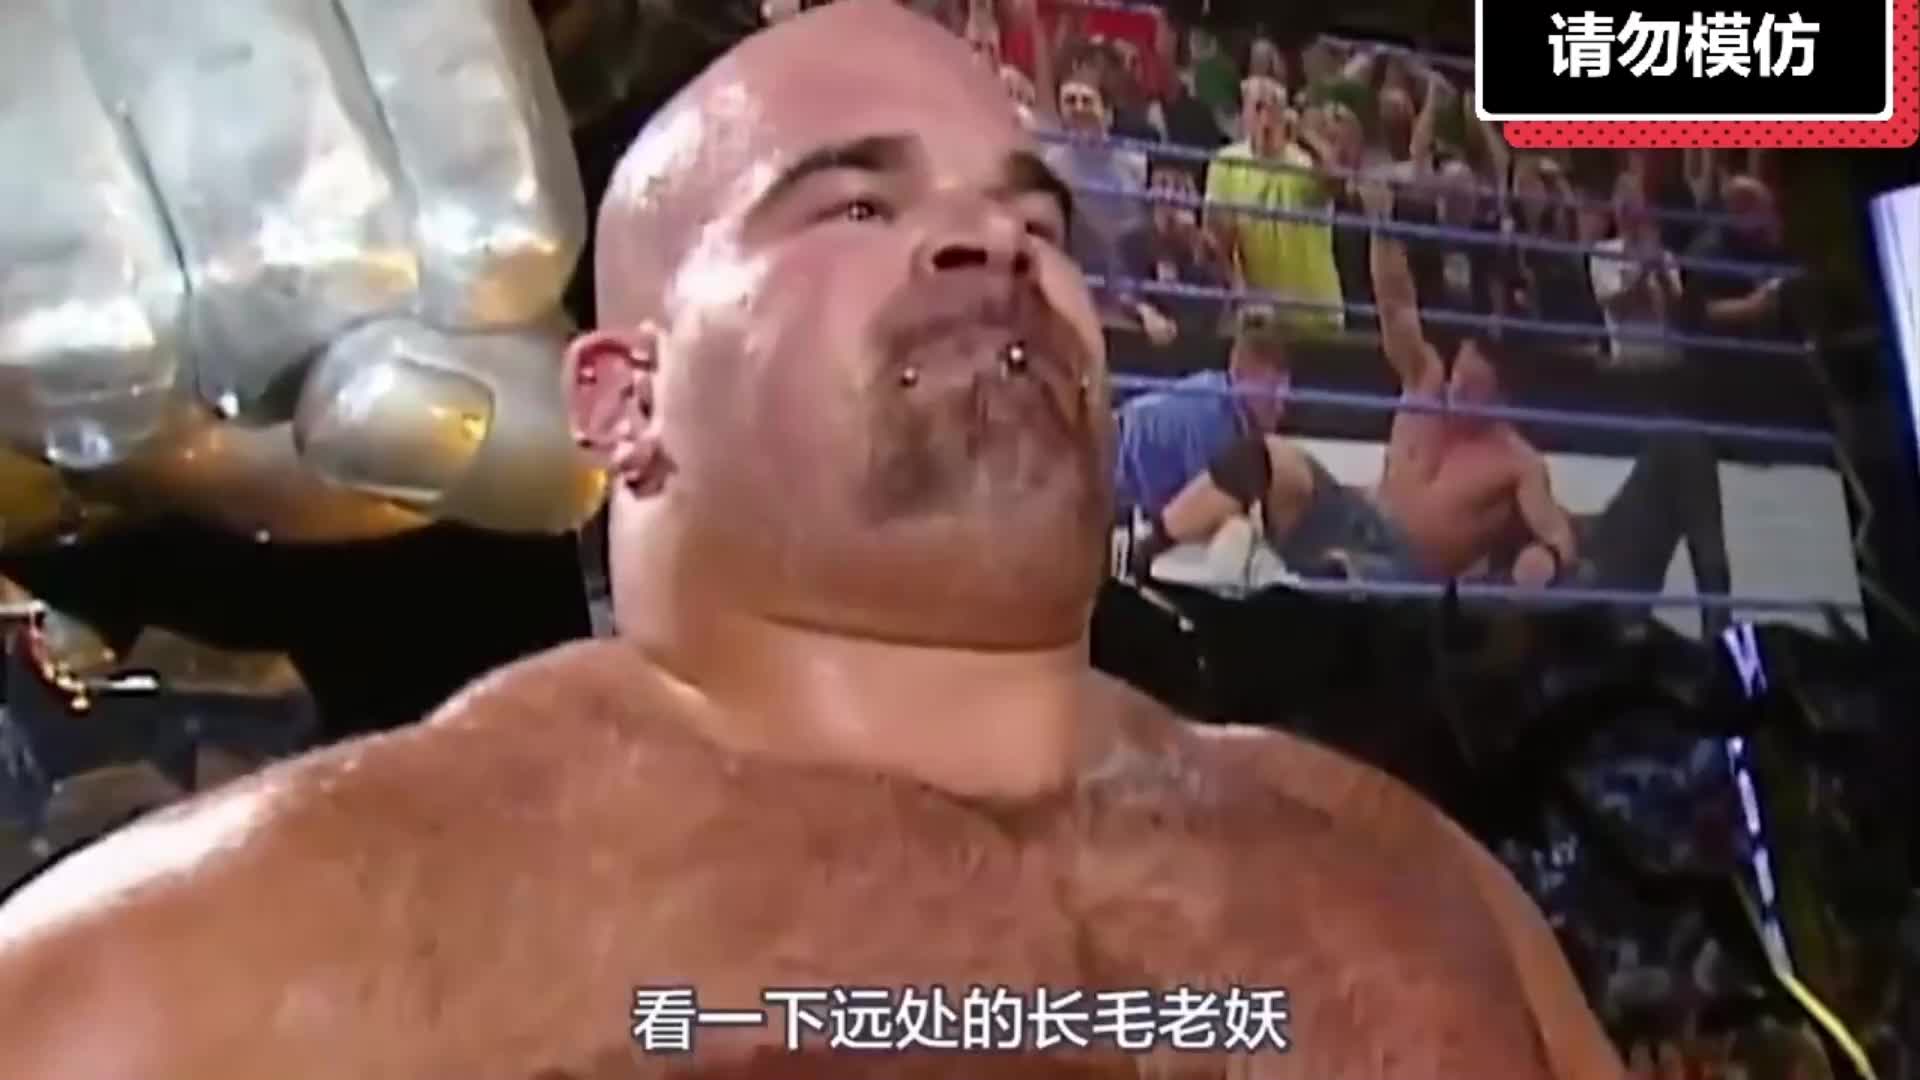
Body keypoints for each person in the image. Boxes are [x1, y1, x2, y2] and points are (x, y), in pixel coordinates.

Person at [0, 5, 1624, 1077]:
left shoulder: (1417, 879)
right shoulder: (271, 941)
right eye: (853, 203)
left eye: (1036, 218)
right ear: (622, 396)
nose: (993, 240)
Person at [1112, 303, 1292, 523]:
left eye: (1284, 392)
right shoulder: (1214, 424)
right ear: (1240, 375)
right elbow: (1200, 514)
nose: (1280, 406)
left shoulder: (1221, 398)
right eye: (1272, 392)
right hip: (1107, 468)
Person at [1204, 75, 1345, 335]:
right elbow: (1218, 240)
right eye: (1258, 107)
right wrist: (1241, 295)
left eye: (1274, 108)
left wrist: (1304, 135)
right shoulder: (1226, 163)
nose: (1266, 117)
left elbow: (1335, 182)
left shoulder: (1305, 163)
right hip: (1262, 320)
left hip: (1317, 315)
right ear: (1244, 115)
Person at [1111, 160, 1229, 370]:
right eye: (1164, 185)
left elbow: (1216, 303)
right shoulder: (1131, 239)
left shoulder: (1205, 246)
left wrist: (1195, 249)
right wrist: (1146, 312)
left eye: (1180, 188)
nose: (1170, 196)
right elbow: (1122, 288)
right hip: (1140, 350)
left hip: (1194, 354)